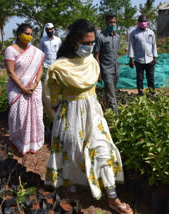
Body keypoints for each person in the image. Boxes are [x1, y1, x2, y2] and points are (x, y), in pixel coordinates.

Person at [44, 19, 133, 214]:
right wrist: (65, 112)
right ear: (74, 41)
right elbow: (52, 99)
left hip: (93, 114)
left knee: (104, 151)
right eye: (86, 43)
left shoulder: (91, 62)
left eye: (92, 43)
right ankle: (72, 194)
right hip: (70, 116)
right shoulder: (59, 68)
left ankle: (112, 197)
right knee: (72, 154)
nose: (90, 47)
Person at [4, 23, 45, 155]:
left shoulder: (35, 51)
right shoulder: (11, 50)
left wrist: (35, 83)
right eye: (27, 33)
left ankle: (34, 142)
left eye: (31, 34)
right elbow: (10, 72)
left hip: (34, 88)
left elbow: (40, 68)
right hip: (17, 89)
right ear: (19, 34)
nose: (29, 36)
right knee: (18, 116)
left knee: (36, 115)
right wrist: (22, 88)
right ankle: (19, 142)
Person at [94, 14, 120, 112]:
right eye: (110, 22)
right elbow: (96, 55)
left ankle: (106, 110)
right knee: (112, 95)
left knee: (111, 93)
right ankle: (116, 116)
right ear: (106, 23)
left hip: (116, 69)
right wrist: (99, 72)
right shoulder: (100, 37)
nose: (112, 24)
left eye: (114, 22)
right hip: (106, 70)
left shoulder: (117, 36)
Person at [128, 14, 158, 96]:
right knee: (140, 78)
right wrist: (131, 59)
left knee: (151, 78)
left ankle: (152, 93)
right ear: (138, 23)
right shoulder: (134, 33)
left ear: (147, 22)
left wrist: (155, 57)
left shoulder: (151, 32)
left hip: (150, 59)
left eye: (144, 21)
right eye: (141, 21)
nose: (143, 23)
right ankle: (140, 93)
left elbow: (154, 45)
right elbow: (131, 46)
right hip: (139, 60)